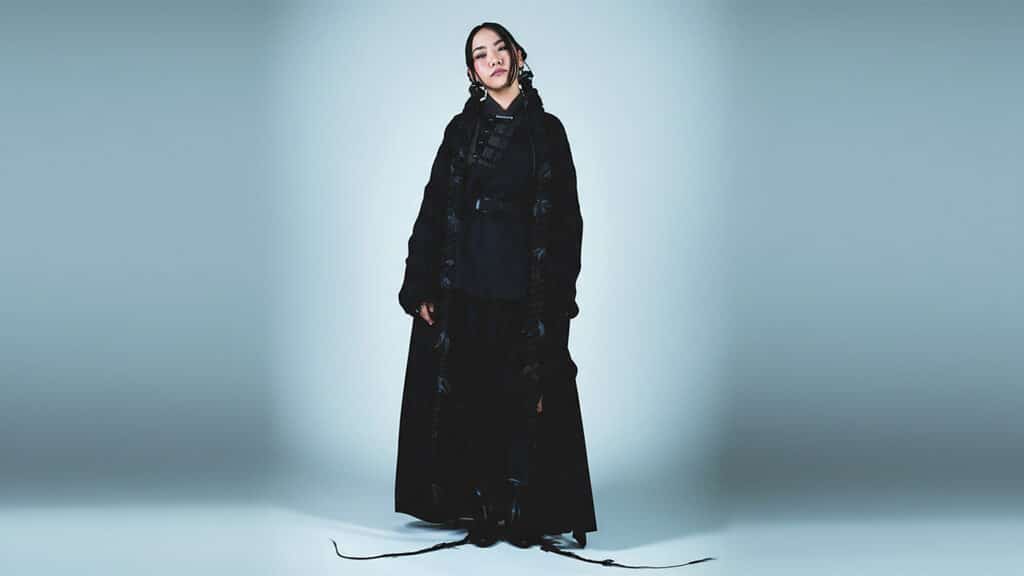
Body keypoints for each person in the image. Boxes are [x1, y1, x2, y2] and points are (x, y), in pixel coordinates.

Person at [395, 22, 596, 548]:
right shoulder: (460, 132)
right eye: (481, 55)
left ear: (519, 55)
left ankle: (526, 509)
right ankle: (482, 507)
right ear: (472, 72)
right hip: (467, 281)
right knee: (473, 396)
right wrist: (420, 284)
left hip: (526, 285)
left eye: (500, 49)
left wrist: (561, 293)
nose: (493, 60)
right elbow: (434, 207)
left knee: (526, 394)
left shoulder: (548, 132)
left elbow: (568, 220)